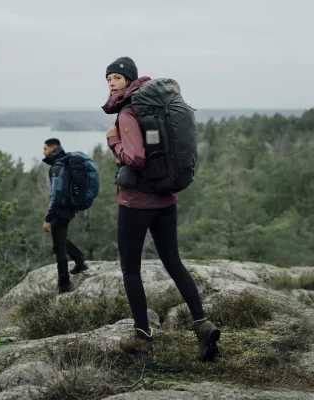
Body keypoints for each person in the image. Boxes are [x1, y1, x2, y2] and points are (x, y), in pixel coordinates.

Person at [101, 57, 221, 362]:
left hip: (136, 203)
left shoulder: (129, 112)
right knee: (173, 261)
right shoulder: (156, 106)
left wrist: (114, 142)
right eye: (108, 79)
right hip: (166, 199)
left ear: (129, 80)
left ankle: (142, 337)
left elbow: (136, 157)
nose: (111, 83)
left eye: (116, 77)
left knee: (130, 268)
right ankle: (202, 324)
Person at [42, 138, 89, 293]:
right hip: (69, 207)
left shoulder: (57, 167)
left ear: (53, 148)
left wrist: (48, 218)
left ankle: (64, 284)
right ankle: (80, 261)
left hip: (60, 210)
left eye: (45, 149)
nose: (44, 152)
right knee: (60, 238)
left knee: (59, 247)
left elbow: (56, 195)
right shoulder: (66, 161)